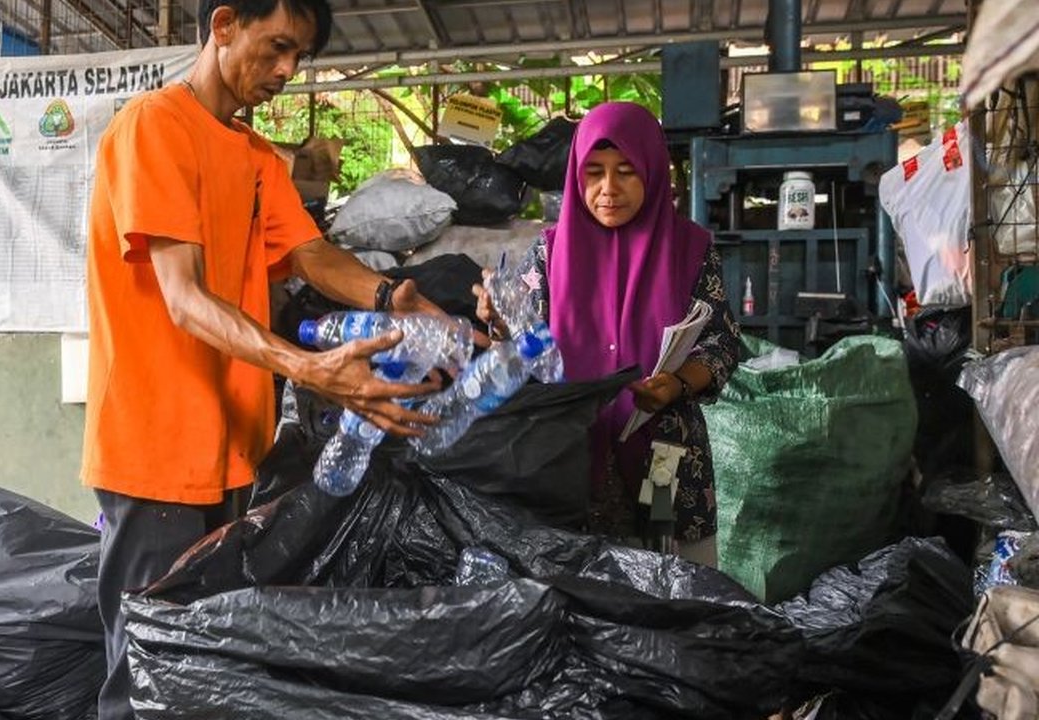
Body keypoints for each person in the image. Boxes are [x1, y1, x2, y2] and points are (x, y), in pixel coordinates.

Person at [82, 1, 443, 717]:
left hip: (232, 453)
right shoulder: (154, 127)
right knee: (145, 676)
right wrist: (308, 368)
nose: (287, 72)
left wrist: (386, 296)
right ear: (223, 26)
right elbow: (183, 300)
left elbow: (308, 254)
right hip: (157, 455)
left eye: (300, 57)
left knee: (203, 671)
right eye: (277, 47)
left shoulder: (250, 155)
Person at [476, 102, 739, 566]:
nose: (608, 189)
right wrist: (498, 320)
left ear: (654, 171)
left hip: (663, 451)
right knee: (583, 585)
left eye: (626, 172)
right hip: (570, 453)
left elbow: (720, 342)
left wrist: (675, 384)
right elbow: (522, 347)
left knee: (665, 576)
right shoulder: (550, 252)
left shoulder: (691, 249)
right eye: (593, 172)